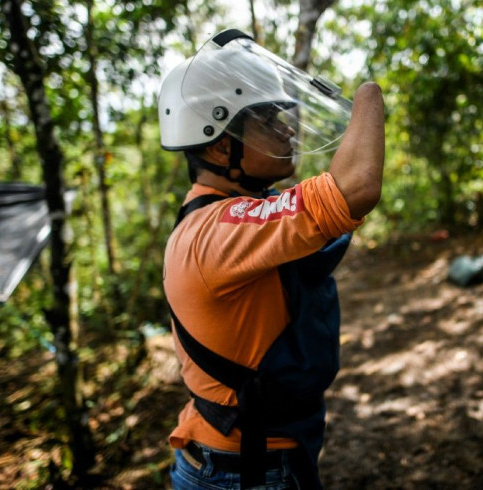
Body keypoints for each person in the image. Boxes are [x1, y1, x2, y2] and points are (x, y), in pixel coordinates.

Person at [157, 29, 384, 489]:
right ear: (221, 146)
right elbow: (356, 186)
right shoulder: (215, 232)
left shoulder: (241, 210)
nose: (288, 128)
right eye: (266, 119)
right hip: (244, 471)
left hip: (253, 458)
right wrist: (369, 94)